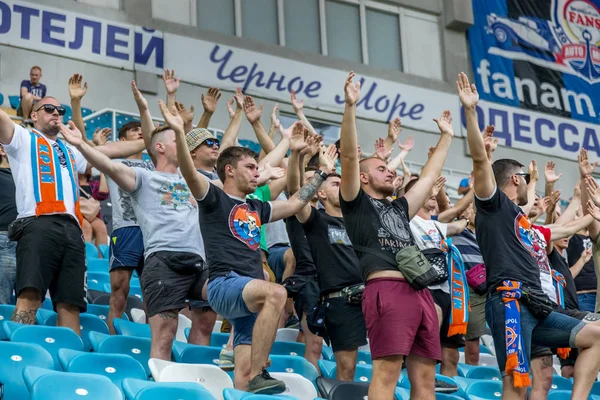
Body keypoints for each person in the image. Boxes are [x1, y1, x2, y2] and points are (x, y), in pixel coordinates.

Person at [171, 101, 332, 393]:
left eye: (257, 167)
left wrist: (321, 173)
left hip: (247, 293)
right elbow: (187, 169)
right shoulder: (213, 198)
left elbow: (296, 202)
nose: (257, 173)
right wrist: (181, 133)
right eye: (250, 167)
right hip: (223, 284)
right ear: (229, 170)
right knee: (277, 291)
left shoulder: (256, 205)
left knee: (241, 376)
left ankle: (248, 381)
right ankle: (261, 371)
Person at [459, 71, 600, 399]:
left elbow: (555, 229)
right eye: (526, 176)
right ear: (517, 180)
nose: (529, 180)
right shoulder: (492, 207)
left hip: (538, 304)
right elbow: (481, 161)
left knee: (596, 334)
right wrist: (470, 111)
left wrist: (586, 213)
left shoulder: (521, 220)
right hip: (508, 302)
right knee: (516, 386)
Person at [338, 71, 455, 400]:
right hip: (386, 288)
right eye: (380, 168)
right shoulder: (355, 202)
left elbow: (430, 177)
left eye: (390, 169)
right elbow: (348, 156)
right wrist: (350, 107)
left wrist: (446, 137)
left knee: (426, 382)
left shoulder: (401, 207)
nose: (390, 170)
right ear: (362, 177)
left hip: (420, 292)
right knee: (387, 373)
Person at [59, 117, 214, 360]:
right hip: (162, 259)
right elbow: (110, 166)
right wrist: (81, 145)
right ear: (160, 147)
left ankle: (199, 376)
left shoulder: (197, 180)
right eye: (177, 139)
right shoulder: (143, 176)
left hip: (200, 261)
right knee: (165, 333)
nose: (184, 143)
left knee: (205, 324)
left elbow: (237, 181)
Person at [0, 96, 144, 333]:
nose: (56, 112)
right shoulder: (22, 138)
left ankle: (69, 360)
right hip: (38, 224)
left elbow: (110, 149)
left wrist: (150, 140)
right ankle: (17, 348)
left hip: (72, 231)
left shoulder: (70, 149)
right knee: (30, 296)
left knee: (70, 305)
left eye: (60, 109)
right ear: (34, 115)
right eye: (48, 108)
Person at [289, 140, 366, 381]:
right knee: (340, 364)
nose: (342, 186)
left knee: (363, 367)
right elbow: (296, 194)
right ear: (320, 192)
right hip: (338, 300)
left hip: (368, 298)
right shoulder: (317, 221)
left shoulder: (360, 226)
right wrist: (320, 169)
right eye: (335, 183)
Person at [408, 178, 469, 378]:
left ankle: (446, 393)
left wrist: (469, 216)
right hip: (425, 290)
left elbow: (458, 223)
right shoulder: (406, 219)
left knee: (451, 354)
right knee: (427, 349)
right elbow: (455, 210)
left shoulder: (436, 225)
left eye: (434, 195)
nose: (432, 198)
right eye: (428, 194)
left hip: (449, 292)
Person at [105, 121, 154, 334]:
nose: (140, 133)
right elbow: (86, 148)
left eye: (143, 131)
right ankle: (111, 342)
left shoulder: (155, 164)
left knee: (153, 295)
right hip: (125, 230)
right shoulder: (113, 161)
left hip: (153, 233)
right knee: (119, 292)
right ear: (122, 140)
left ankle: (150, 344)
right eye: (135, 130)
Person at [0, 145, 17, 304]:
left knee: (28, 300)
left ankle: (22, 329)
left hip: (30, 239)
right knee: (2, 299)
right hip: (3, 237)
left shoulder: (23, 176)